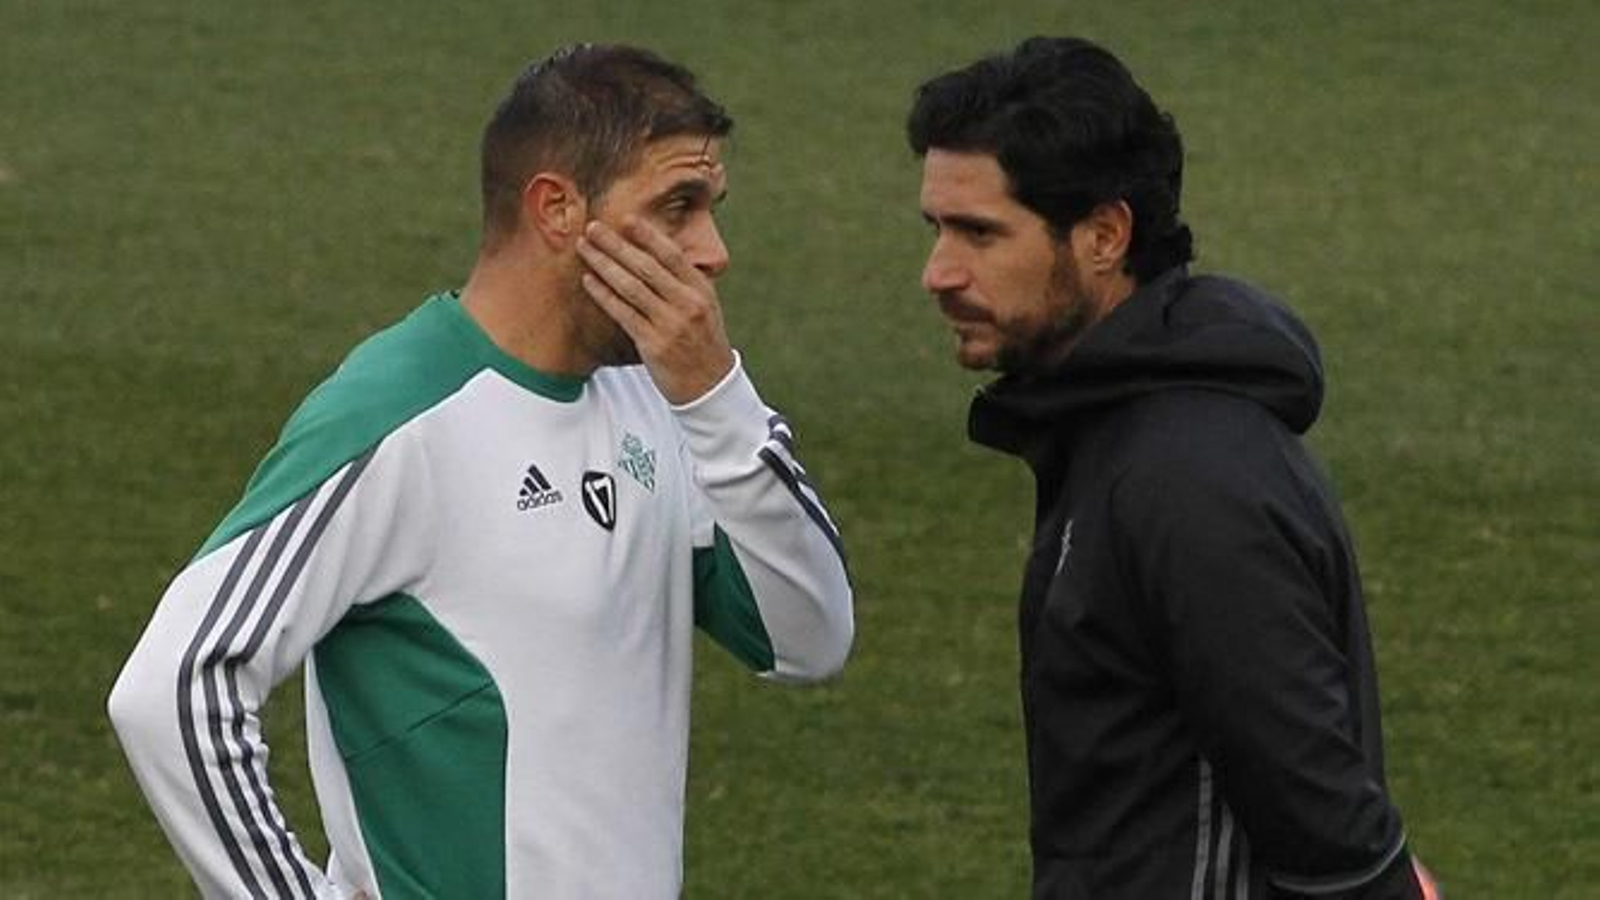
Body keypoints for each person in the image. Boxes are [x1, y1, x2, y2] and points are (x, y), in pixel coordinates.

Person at [108, 43, 854, 899]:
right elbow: (173, 688)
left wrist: (717, 399)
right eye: (677, 207)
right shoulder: (399, 412)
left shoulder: (664, 400)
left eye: (711, 208)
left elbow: (809, 639)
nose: (713, 250)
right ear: (557, 209)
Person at [908, 37, 1439, 899]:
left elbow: (1320, 818)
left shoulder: (1185, 478)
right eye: (936, 230)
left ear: (1105, 235)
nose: (938, 273)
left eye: (979, 232)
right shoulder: (1115, 431)